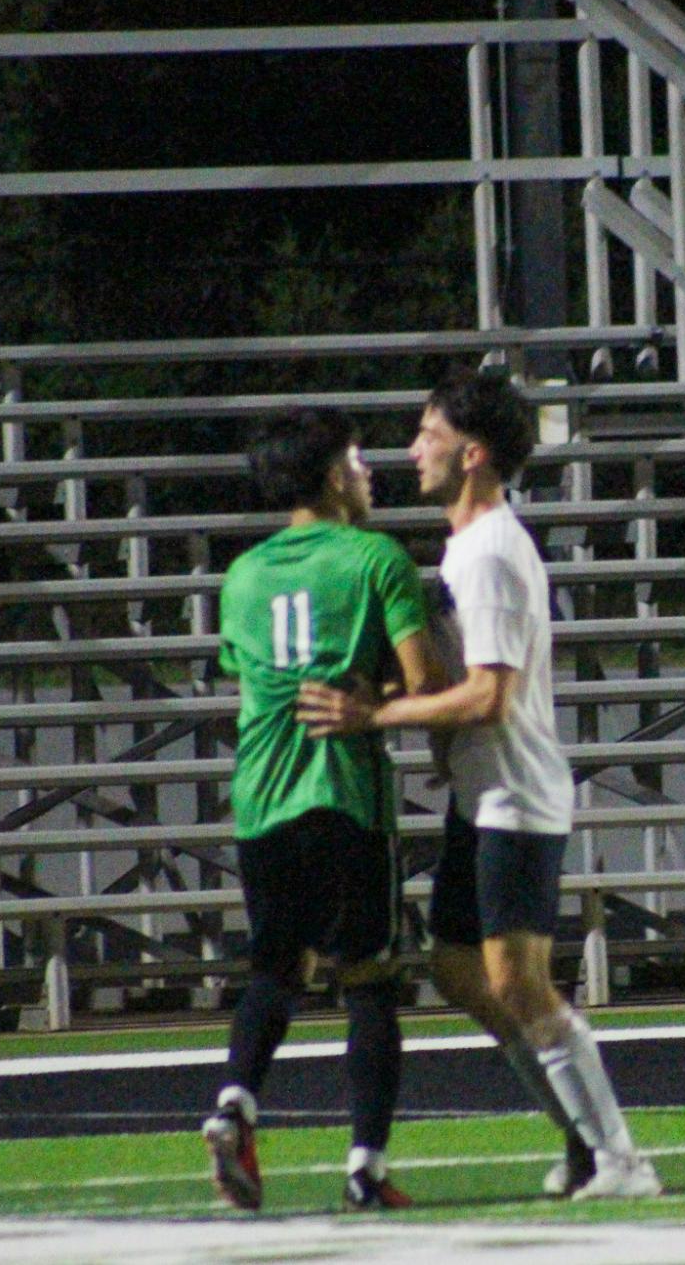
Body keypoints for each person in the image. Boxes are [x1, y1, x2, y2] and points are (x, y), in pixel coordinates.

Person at [298, 369, 662, 1200]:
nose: (410, 449)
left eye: (426, 433)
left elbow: (491, 693)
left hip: (515, 793)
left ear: (473, 453)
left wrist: (374, 719)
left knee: (514, 980)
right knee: (460, 969)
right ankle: (582, 1142)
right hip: (483, 792)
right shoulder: (468, 546)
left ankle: (619, 1158)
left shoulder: (491, 549)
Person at [202, 408, 429, 1212]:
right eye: (360, 461)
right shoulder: (374, 558)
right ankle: (365, 1165)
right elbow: (424, 682)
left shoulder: (243, 575)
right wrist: (382, 694)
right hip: (338, 790)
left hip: (261, 796)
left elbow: (250, 669)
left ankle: (235, 1101)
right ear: (334, 477)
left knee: (275, 969)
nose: (370, 474)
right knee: (368, 980)